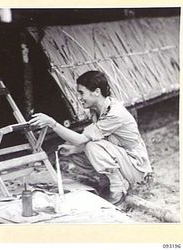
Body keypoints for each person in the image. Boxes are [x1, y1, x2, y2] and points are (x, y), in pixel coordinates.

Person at [29, 70, 153, 205]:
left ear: (97, 92)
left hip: (137, 168)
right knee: (74, 150)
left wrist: (52, 123)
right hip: (122, 158)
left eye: (82, 92)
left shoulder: (114, 113)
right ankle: (107, 180)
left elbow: (81, 140)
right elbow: (87, 139)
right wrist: (73, 150)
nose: (79, 97)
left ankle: (118, 186)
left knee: (91, 146)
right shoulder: (97, 110)